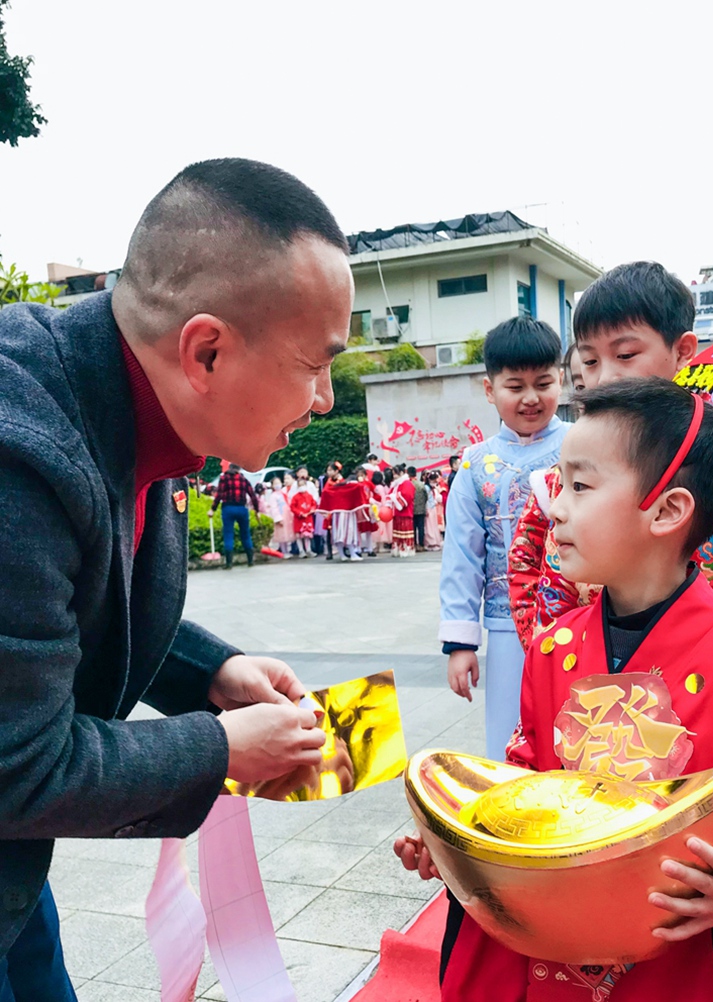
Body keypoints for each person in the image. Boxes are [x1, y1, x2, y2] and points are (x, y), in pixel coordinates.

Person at [0, 157, 349, 995]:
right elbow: (20, 766)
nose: (327, 399)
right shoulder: (19, 456)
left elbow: (76, 600)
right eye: (315, 363)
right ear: (207, 351)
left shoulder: (137, 392)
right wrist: (224, 748)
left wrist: (210, 672)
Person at [397, 378, 713, 1001]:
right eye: (559, 483)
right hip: (547, 952)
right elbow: (524, 783)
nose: (554, 507)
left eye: (580, 487)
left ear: (668, 511)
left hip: (676, 965)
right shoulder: (552, 651)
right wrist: (463, 849)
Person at [508, 262, 713, 769]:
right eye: (588, 362)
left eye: (626, 355)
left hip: (711, 706)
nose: (603, 378)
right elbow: (534, 567)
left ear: (682, 352)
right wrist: (553, 661)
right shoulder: (566, 470)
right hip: (593, 703)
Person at [440, 316, 568, 760]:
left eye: (543, 383)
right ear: (490, 389)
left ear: (562, 380)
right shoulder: (476, 465)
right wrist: (461, 644)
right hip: (507, 625)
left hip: (583, 615)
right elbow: (462, 556)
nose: (531, 398)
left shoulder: (583, 445)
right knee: (510, 733)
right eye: (515, 387)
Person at [209, 463, 260, 568]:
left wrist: (212, 509)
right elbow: (253, 496)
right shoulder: (243, 479)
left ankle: (229, 564)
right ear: (239, 469)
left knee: (228, 534)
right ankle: (250, 561)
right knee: (245, 534)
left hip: (228, 508)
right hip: (242, 508)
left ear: (230, 468)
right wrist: (257, 510)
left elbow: (219, 495)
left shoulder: (224, 478)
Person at [389, 464, 416, 557]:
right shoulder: (396, 484)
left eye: (395, 474)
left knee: (405, 532)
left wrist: (394, 497)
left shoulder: (407, 483)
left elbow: (407, 496)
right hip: (396, 512)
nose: (394, 476)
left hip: (405, 512)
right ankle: (398, 549)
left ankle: (406, 549)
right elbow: (389, 494)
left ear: (401, 473)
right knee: (398, 532)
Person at [267, 475, 296, 556]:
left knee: (286, 534)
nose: (277, 485)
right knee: (281, 535)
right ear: (272, 485)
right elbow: (273, 508)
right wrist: (278, 518)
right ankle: (283, 551)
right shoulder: (273, 496)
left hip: (287, 516)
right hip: (280, 516)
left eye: (279, 483)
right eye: (275, 483)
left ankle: (287, 550)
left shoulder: (283, 493)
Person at [410, 466, 429, 551]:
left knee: (413, 528)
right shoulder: (421, 484)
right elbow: (426, 497)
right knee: (421, 528)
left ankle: (414, 544)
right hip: (421, 509)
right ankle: (421, 545)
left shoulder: (409, 484)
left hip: (412, 510)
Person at [424, 470, 443, 550]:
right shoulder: (426, 488)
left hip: (433, 507)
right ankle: (431, 543)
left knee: (433, 526)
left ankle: (435, 542)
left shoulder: (432, 488)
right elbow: (425, 499)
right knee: (429, 527)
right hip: (428, 508)